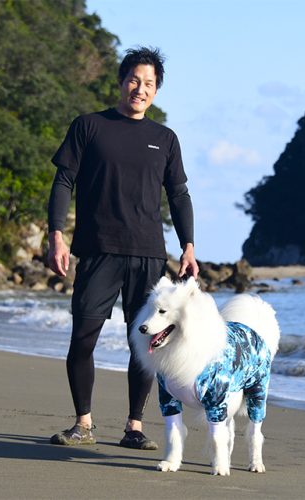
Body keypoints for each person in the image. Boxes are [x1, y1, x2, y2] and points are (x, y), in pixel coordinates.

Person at [47, 46, 199, 449]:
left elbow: (179, 194)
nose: (140, 88)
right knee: (83, 336)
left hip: (148, 254)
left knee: (145, 343)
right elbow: (64, 181)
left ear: (156, 91)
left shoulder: (164, 139)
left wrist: (187, 246)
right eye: (134, 79)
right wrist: (56, 235)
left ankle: (134, 426)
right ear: (121, 81)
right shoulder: (89, 126)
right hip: (98, 249)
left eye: (148, 83)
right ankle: (83, 424)